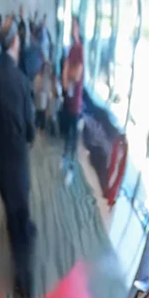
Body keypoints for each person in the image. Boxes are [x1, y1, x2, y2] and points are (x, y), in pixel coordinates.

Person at [0, 19, 36, 298]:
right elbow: (30, 130)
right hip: (19, 159)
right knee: (21, 219)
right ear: (15, 42)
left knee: (12, 213)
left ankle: (23, 233)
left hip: (2, 160)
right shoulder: (22, 81)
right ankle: (24, 284)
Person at [62, 18, 85, 185]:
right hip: (69, 97)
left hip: (76, 99)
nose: (72, 29)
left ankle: (71, 168)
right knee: (67, 131)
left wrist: (68, 73)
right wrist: (67, 73)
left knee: (74, 137)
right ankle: (64, 157)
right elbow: (65, 70)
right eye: (71, 26)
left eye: (75, 27)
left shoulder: (80, 50)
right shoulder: (71, 49)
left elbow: (76, 75)